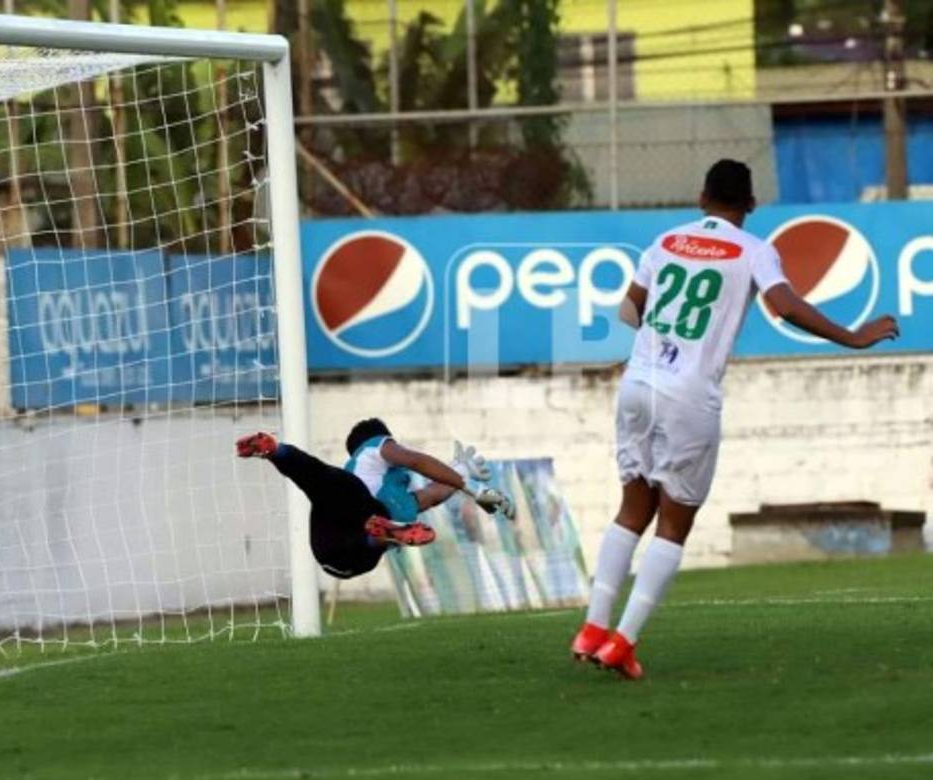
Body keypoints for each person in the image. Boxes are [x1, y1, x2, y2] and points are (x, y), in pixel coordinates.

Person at [570, 159, 899, 679]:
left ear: (702, 197)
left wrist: (661, 338)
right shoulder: (753, 250)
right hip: (688, 394)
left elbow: (629, 312)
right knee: (674, 523)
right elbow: (785, 306)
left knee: (631, 508)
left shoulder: (665, 242)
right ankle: (622, 643)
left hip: (638, 383)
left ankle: (592, 627)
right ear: (750, 204)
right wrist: (852, 336)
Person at [237, 418, 514, 579]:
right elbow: (423, 477)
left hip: (331, 549)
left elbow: (430, 491)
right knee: (342, 490)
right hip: (362, 557)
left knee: (323, 480)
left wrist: (464, 476)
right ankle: (383, 535)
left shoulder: (373, 482)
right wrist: (466, 479)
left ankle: (277, 451)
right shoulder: (375, 448)